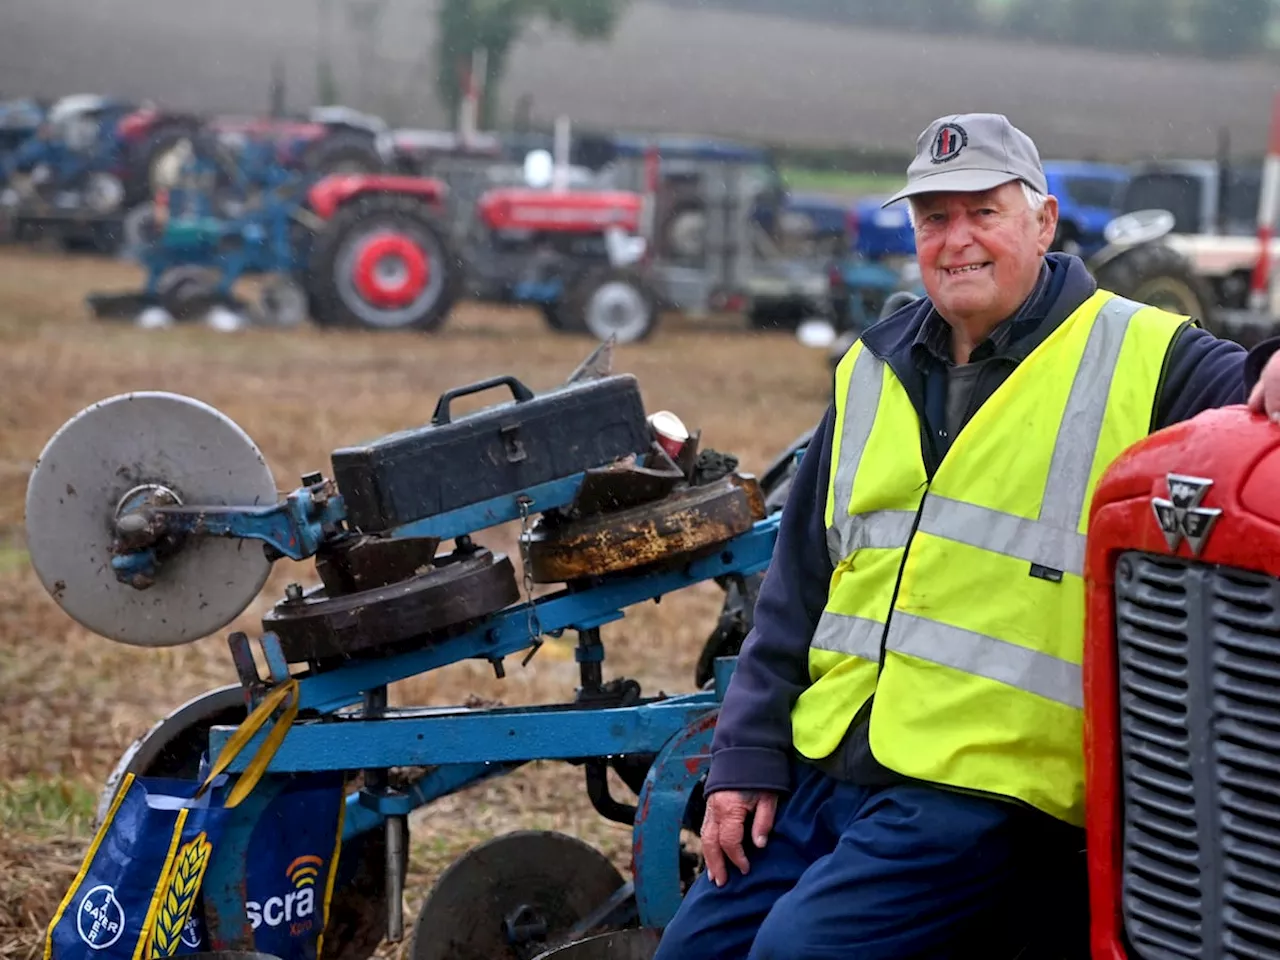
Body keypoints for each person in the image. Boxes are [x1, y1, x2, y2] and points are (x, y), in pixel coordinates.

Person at [654, 113, 1280, 960]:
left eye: (983, 213)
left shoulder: (1143, 353)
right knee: (695, 951)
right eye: (934, 219)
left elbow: (1253, 383)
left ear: (1043, 221)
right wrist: (745, 755)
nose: (957, 242)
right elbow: (796, 592)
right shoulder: (871, 368)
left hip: (980, 791)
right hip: (831, 766)